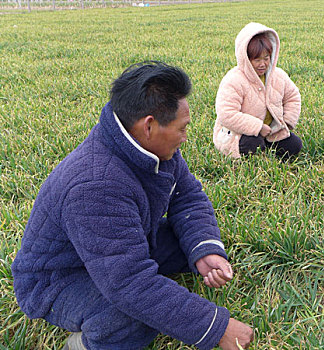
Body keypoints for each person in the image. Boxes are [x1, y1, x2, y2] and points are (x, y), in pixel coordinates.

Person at [11, 62, 254, 350]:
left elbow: (187, 196)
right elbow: (129, 283)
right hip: (59, 278)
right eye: (182, 129)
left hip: (118, 246)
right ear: (149, 125)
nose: (185, 137)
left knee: (187, 242)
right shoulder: (95, 186)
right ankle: (82, 345)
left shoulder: (155, 148)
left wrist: (204, 249)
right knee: (132, 317)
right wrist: (216, 327)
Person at [214, 22, 302, 159]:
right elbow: (226, 114)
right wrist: (258, 127)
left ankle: (267, 143)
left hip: (272, 131)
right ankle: (258, 145)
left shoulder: (278, 75)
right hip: (238, 134)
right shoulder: (233, 79)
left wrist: (288, 120)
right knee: (253, 145)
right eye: (257, 60)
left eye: (266, 58)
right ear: (246, 59)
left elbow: (293, 96)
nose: (263, 64)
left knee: (294, 146)